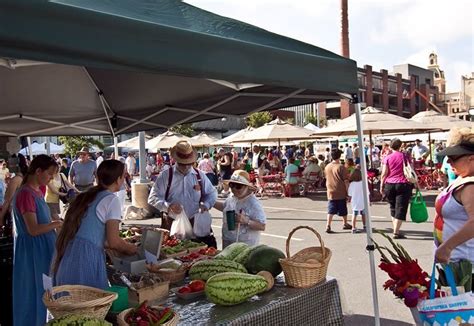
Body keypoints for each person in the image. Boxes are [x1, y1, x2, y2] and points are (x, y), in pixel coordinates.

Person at [53, 160, 137, 289]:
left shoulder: (87, 196)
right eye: (124, 175)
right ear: (118, 179)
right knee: (89, 304)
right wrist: (132, 249)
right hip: (86, 260)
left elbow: (97, 237)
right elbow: (114, 242)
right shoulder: (111, 199)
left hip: (69, 256)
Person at [12, 155, 63, 326]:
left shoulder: (38, 191)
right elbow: (33, 229)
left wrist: (54, 219)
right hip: (34, 251)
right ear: (38, 171)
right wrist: (56, 223)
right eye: (49, 174)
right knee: (34, 291)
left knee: (46, 291)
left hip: (43, 248)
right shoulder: (26, 194)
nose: (51, 179)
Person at [148, 141, 217, 243]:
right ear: (176, 160)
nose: (185, 167)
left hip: (196, 226)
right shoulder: (165, 176)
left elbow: (212, 193)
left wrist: (206, 204)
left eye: (189, 164)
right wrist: (168, 206)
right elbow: (153, 198)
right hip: (173, 225)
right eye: (182, 164)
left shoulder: (200, 176)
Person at [432, 127, 474, 289]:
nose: (448, 162)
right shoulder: (462, 179)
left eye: (453, 157)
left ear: (471, 158)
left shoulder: (470, 186)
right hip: (455, 260)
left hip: (465, 264)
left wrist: (447, 246)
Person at [214, 170, 266, 248]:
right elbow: (225, 207)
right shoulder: (232, 196)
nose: (234, 189)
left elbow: (262, 226)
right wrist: (210, 202)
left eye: (238, 186)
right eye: (232, 185)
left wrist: (246, 221)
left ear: (247, 187)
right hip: (228, 240)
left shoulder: (253, 203)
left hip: (244, 245)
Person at [380, 138, 414, 239]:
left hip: (389, 184)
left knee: (393, 207)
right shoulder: (405, 156)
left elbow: (384, 173)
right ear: (400, 146)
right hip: (403, 183)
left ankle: (396, 229)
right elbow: (411, 170)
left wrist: (381, 185)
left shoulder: (387, 157)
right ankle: (396, 231)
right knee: (401, 208)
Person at [325, 149, 351, 233]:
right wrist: (348, 192)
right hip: (340, 191)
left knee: (331, 210)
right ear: (339, 156)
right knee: (343, 208)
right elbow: (346, 181)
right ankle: (345, 223)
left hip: (330, 190)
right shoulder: (341, 167)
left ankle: (328, 225)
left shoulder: (327, 166)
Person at [0, 154, 28, 228]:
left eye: (9, 161)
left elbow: (7, 201)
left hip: (15, 214)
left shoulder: (16, 179)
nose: (7, 163)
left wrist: (1, 217)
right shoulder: (25, 177)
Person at [347, 169, 367, 233]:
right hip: (363, 201)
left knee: (354, 214)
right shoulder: (364, 183)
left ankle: (353, 227)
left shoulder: (352, 184)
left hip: (355, 201)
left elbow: (350, 194)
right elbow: (367, 193)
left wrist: (349, 200)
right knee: (363, 214)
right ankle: (365, 225)